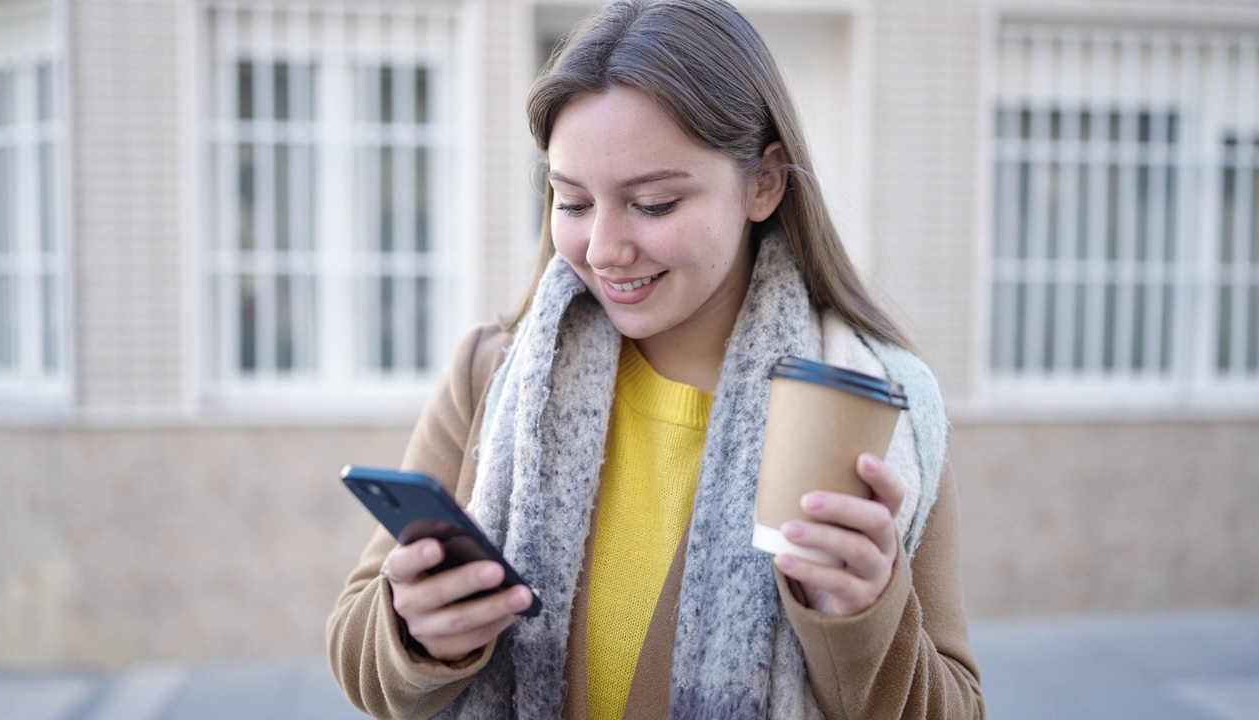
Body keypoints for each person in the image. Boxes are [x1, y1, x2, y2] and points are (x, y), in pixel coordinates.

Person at [327, 0, 984, 718]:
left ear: (764, 183)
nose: (605, 249)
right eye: (572, 202)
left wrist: (862, 617)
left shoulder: (869, 406)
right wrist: (415, 632)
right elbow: (356, 647)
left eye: (654, 204)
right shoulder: (494, 374)